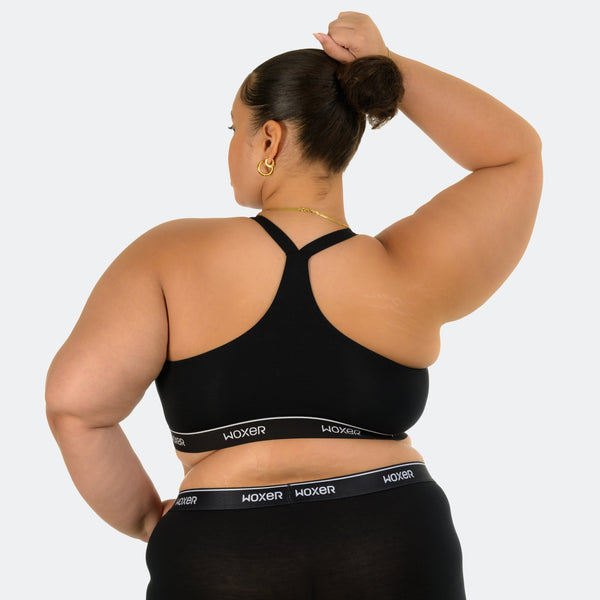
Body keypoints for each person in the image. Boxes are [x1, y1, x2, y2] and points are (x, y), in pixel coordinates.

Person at [45, 11, 542, 599]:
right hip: (391, 534)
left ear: (269, 140)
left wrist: (151, 523)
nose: (231, 146)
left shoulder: (169, 254)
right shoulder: (406, 266)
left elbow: (75, 406)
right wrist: (386, 66)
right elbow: (514, 155)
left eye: (234, 128)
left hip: (223, 547)